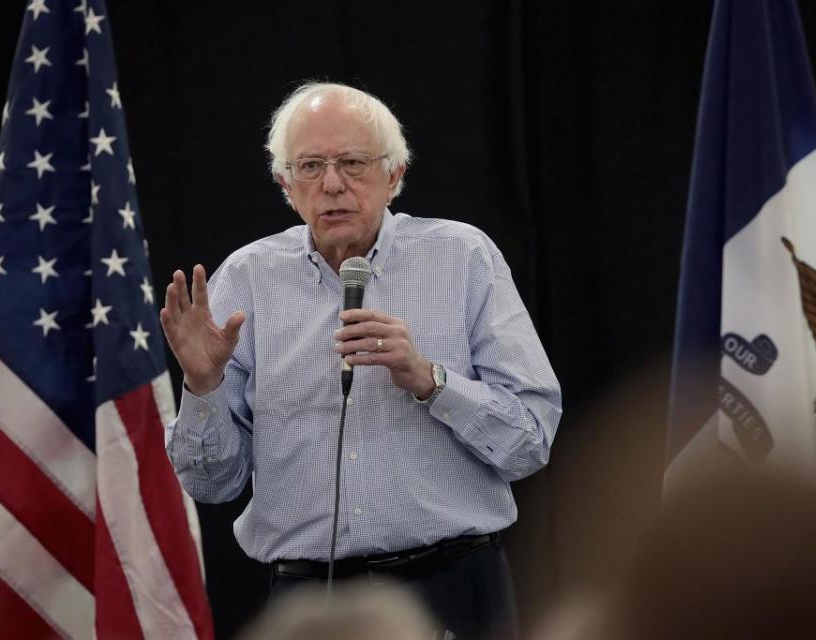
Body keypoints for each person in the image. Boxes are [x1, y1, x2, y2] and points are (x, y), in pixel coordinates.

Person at [160, 81, 562, 639]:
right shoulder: (247, 280)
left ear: (394, 175)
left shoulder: (463, 257)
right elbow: (212, 484)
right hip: (309, 601)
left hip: (451, 592)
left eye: (352, 162)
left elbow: (531, 440)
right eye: (309, 167)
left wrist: (430, 380)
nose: (331, 184)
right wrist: (202, 386)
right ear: (285, 184)